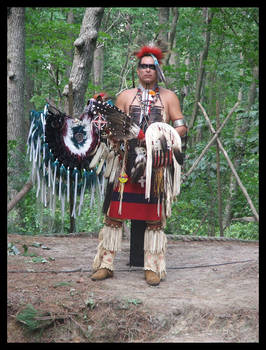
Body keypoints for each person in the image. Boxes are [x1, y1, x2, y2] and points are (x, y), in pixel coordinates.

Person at [90, 45, 188, 286]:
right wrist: (104, 122)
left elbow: (181, 127)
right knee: (114, 215)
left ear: (157, 70)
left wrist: (164, 136)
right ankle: (106, 264)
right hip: (125, 163)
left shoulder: (169, 97)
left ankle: (152, 266)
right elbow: (112, 124)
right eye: (143, 66)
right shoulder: (125, 96)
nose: (147, 70)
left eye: (151, 67)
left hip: (155, 167)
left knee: (154, 218)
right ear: (137, 70)